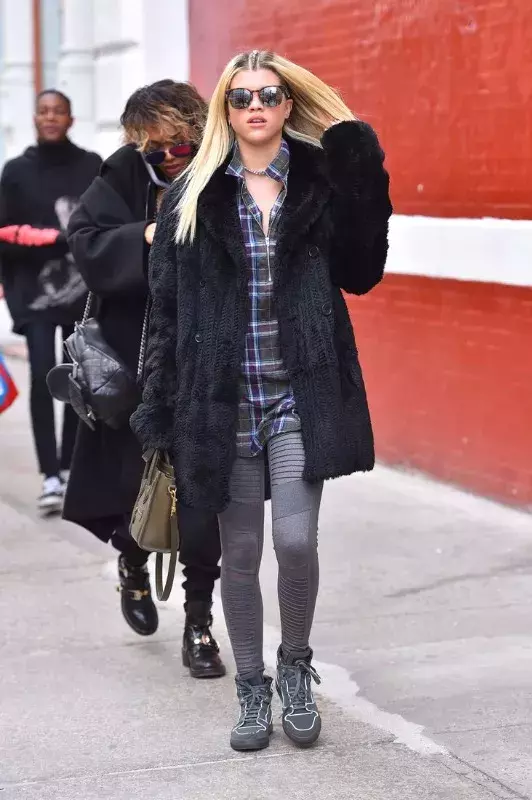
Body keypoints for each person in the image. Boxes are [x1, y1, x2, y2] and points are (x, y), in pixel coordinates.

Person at [132, 50, 392, 750]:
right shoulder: (191, 193)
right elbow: (165, 313)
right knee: (240, 552)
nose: (256, 106)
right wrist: (158, 410)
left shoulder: (320, 186)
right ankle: (252, 687)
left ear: (287, 106)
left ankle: (295, 667)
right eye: (242, 95)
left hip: (297, 396)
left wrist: (362, 166)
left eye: (269, 95)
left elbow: (362, 272)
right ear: (226, 106)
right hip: (222, 403)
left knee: (296, 541)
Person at [63, 80, 226, 679]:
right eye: (154, 147)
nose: (168, 157)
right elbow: (86, 242)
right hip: (135, 364)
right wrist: (145, 236)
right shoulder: (124, 174)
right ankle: (132, 563)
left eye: (179, 144)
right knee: (138, 488)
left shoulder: (221, 169)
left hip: (208, 362)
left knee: (204, 501)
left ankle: (199, 624)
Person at [0, 90, 101, 513]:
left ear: (71, 118)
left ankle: (70, 466)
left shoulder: (91, 166)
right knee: (43, 376)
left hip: (82, 293)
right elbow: (2, 229)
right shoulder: (16, 170)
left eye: (58, 111)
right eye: (43, 111)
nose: (50, 117)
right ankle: (50, 476)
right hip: (32, 294)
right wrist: (49, 240)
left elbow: (103, 225)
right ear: (35, 118)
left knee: (78, 380)